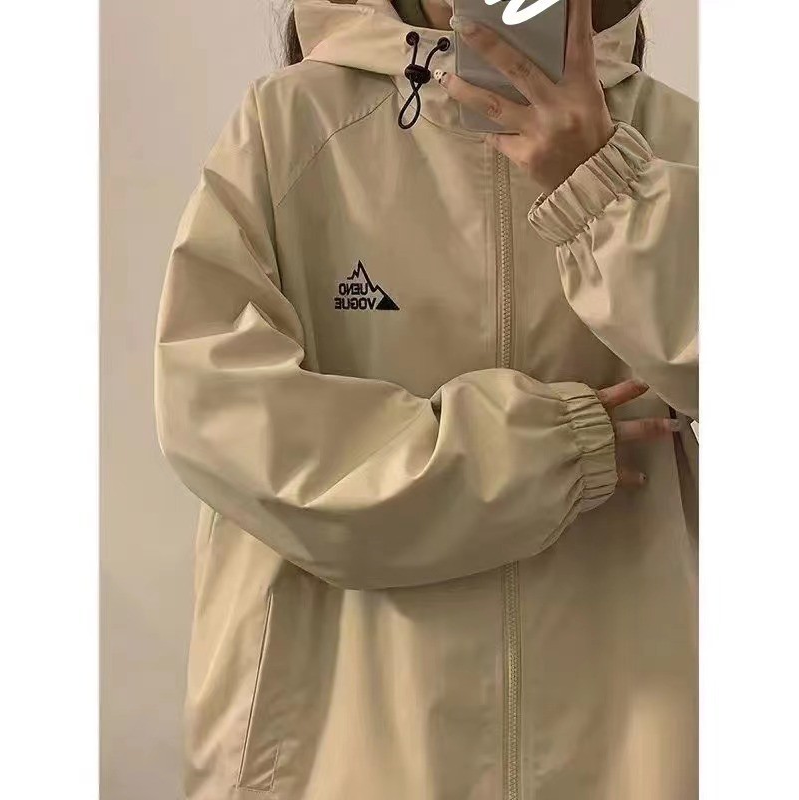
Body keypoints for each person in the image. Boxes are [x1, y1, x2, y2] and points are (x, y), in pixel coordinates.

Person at [153, 0, 698, 797]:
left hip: (629, 737)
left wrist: (606, 186)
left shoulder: (686, 142)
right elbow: (222, 422)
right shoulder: (293, 127)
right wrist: (540, 452)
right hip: (340, 746)